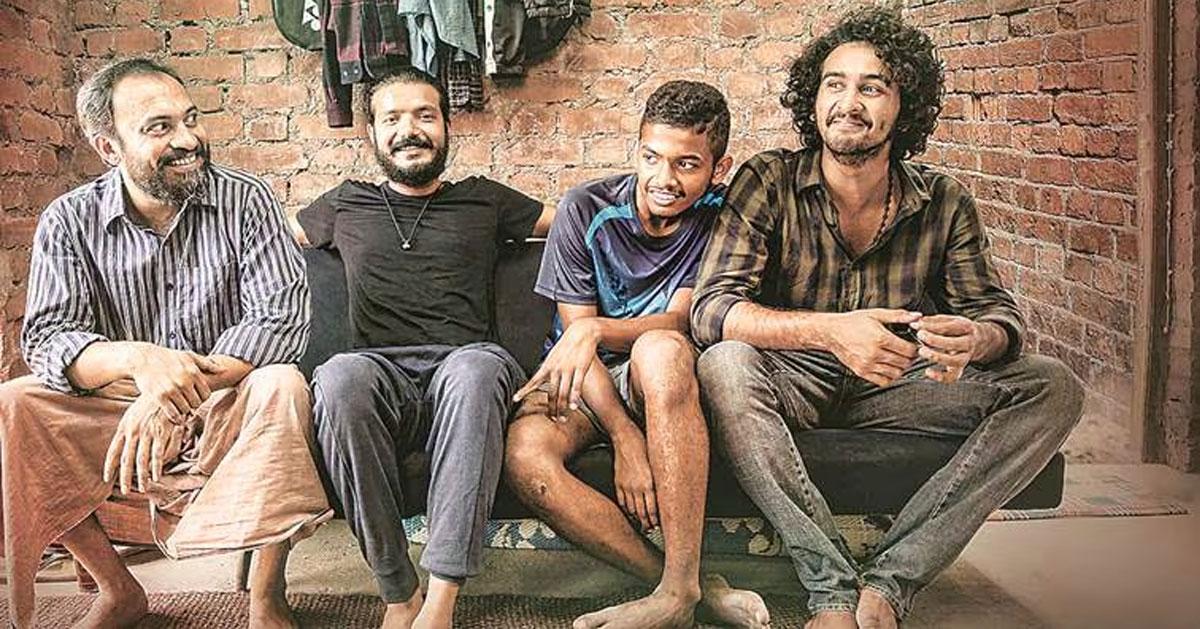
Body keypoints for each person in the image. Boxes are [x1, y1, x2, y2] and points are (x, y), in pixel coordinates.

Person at [689, 8, 1084, 629]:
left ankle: (893, 580)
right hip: (789, 379)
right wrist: (830, 331)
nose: (848, 103)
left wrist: (975, 338)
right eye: (834, 84)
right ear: (813, 98)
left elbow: (998, 317)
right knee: (724, 363)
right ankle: (830, 588)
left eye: (871, 87)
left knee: (1053, 385)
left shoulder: (943, 200)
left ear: (906, 107)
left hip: (897, 381)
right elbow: (711, 309)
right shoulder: (769, 179)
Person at [0, 58, 332, 629]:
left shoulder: (247, 199)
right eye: (160, 127)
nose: (188, 140)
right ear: (109, 148)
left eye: (190, 119)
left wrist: (171, 393)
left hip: (227, 394)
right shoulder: (69, 220)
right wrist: (139, 360)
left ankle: (265, 592)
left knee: (282, 383)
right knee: (14, 405)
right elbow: (50, 339)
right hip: (121, 406)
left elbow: (280, 321)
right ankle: (117, 588)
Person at [504, 80, 770, 629]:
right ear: (638, 149)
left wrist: (597, 328)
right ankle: (686, 589)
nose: (664, 179)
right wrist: (626, 437)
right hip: (584, 381)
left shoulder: (724, 217)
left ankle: (678, 589)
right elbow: (576, 347)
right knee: (524, 457)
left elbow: (680, 321)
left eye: (686, 164)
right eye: (652, 157)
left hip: (666, 378)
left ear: (718, 168)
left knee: (661, 349)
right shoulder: (585, 209)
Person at [296, 67, 553, 629]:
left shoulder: (484, 200)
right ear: (371, 133)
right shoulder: (344, 204)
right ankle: (399, 593)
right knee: (337, 377)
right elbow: (265, 243)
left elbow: (575, 226)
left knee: (476, 370)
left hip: (464, 366)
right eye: (391, 118)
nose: (408, 130)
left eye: (424, 115)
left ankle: (441, 603)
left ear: (446, 127)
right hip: (378, 374)